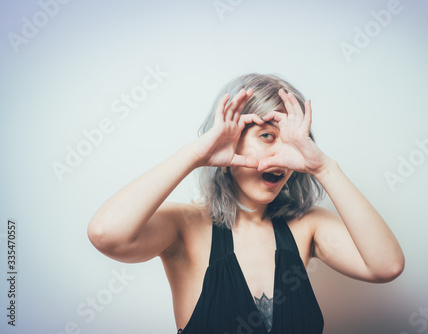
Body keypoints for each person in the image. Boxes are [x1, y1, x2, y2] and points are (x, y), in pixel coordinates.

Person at [87, 73, 405, 333]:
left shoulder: (309, 226)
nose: (281, 153)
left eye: (292, 140)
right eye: (266, 135)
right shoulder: (185, 225)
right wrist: (195, 155)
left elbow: (386, 266)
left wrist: (324, 167)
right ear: (229, 140)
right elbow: (106, 234)